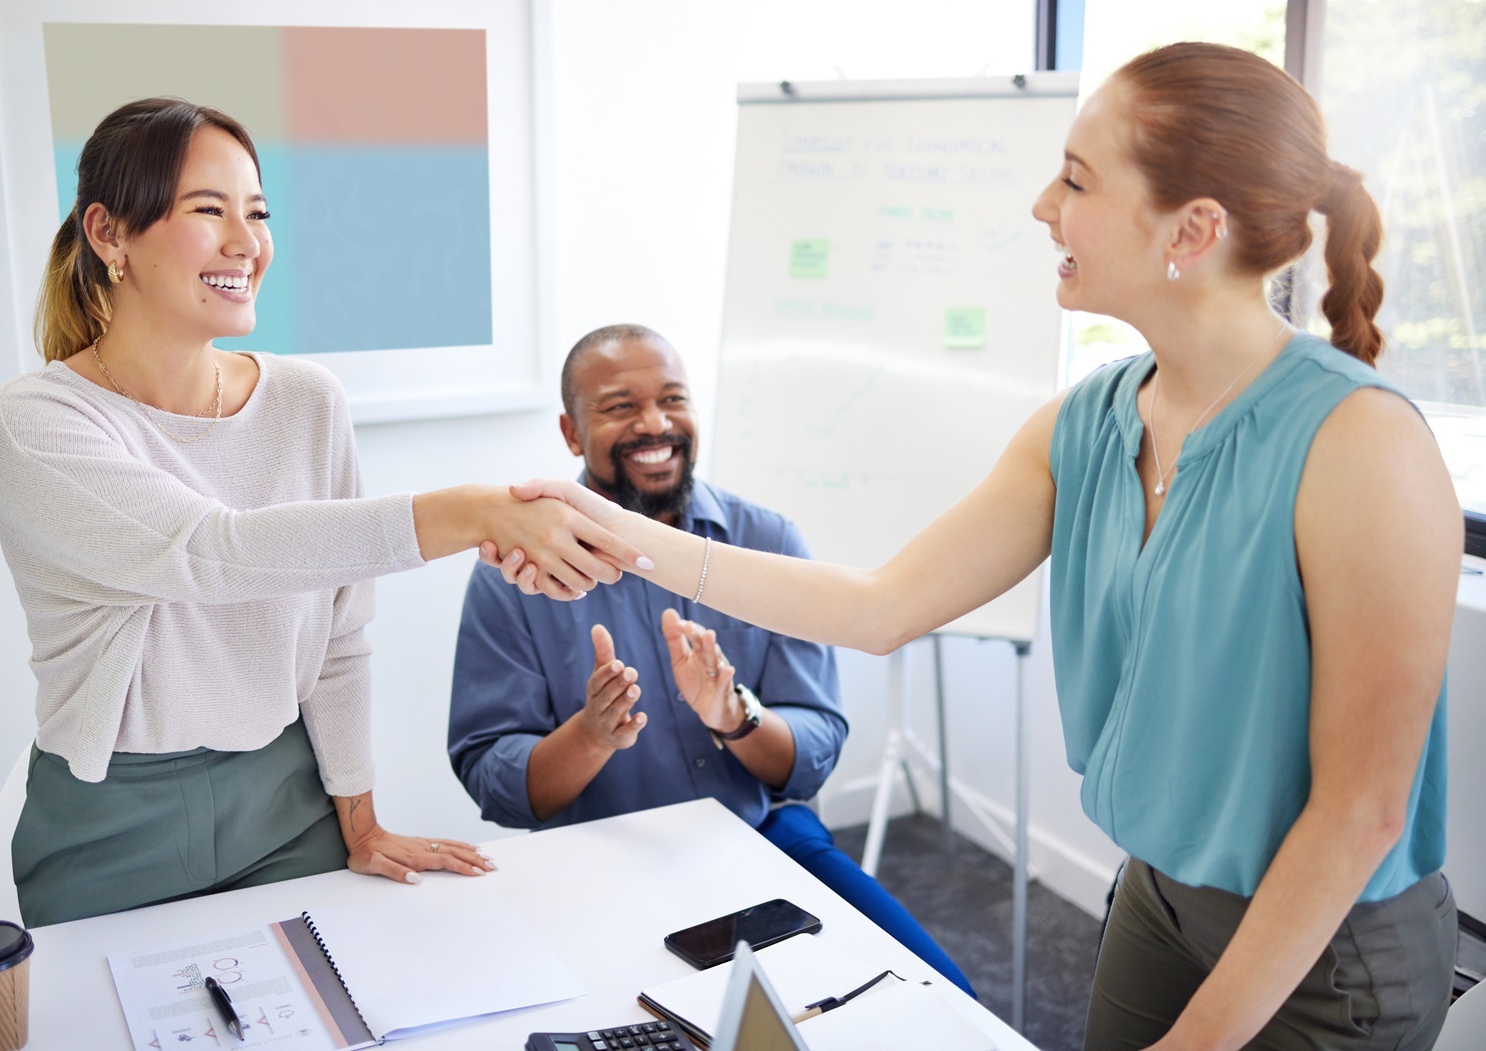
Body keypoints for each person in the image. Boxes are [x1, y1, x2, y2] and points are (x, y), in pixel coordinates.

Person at [486, 44, 1459, 1051]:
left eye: (1076, 179)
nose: (1042, 205)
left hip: (1327, 945)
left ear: (1193, 228)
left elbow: (1359, 813)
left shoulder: (1358, 443)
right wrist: (618, 534)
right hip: (1159, 900)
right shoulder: (1084, 422)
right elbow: (878, 605)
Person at [0, 98, 641, 927]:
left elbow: (338, 634)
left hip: (287, 799)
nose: (245, 243)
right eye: (208, 211)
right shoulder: (27, 425)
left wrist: (358, 819)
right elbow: (210, 552)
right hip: (110, 819)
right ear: (108, 234)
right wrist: (472, 512)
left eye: (256, 212)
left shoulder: (305, 401)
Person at [448, 324, 975, 995]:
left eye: (673, 399)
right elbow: (494, 780)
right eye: (619, 406)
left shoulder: (767, 539)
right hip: (600, 863)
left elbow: (813, 748)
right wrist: (589, 736)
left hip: (765, 838)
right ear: (571, 433)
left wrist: (736, 716)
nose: (654, 423)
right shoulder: (514, 573)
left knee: (942, 997)